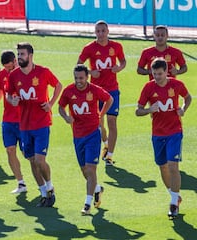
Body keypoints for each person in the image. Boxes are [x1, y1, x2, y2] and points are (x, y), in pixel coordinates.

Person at [7, 42, 62, 207]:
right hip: (24, 125)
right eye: (18, 54)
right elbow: (9, 94)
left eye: (22, 54)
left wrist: (51, 103)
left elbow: (58, 85)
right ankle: (44, 193)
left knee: (39, 160)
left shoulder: (43, 72)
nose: (19, 57)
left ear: (30, 56)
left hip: (42, 123)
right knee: (31, 160)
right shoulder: (14, 75)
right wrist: (13, 100)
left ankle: (50, 187)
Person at [135, 58, 191, 219]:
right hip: (158, 133)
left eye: (160, 74)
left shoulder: (176, 85)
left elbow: (188, 98)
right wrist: (148, 110)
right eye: (154, 74)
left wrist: (183, 109)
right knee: (163, 167)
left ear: (167, 71)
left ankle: (173, 203)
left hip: (175, 131)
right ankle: (174, 195)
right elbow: (138, 111)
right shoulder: (148, 87)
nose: (157, 77)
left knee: (173, 166)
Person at [58, 64, 113, 215]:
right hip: (77, 136)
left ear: (87, 77)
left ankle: (87, 204)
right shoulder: (69, 91)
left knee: (91, 168)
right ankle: (97, 189)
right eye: (76, 78)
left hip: (93, 135)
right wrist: (66, 117)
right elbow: (60, 107)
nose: (78, 81)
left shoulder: (94, 90)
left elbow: (109, 99)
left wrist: (101, 115)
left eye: (81, 78)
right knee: (85, 170)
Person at [77, 20, 126, 166]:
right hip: (95, 91)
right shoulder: (89, 48)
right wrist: (90, 72)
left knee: (112, 122)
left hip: (112, 90)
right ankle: (105, 143)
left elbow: (123, 61)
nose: (101, 34)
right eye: (98, 31)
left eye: (103, 31)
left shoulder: (116, 46)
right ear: (95, 32)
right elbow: (79, 65)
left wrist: (119, 68)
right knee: (98, 123)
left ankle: (109, 155)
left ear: (108, 31)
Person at [0, 50, 27, 194]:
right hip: (8, 120)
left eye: (10, 67)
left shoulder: (24, 74)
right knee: (10, 150)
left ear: (16, 62)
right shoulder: (2, 74)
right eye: (5, 67)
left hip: (23, 121)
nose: (7, 70)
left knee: (28, 154)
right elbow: (0, 90)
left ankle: (43, 182)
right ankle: (21, 183)